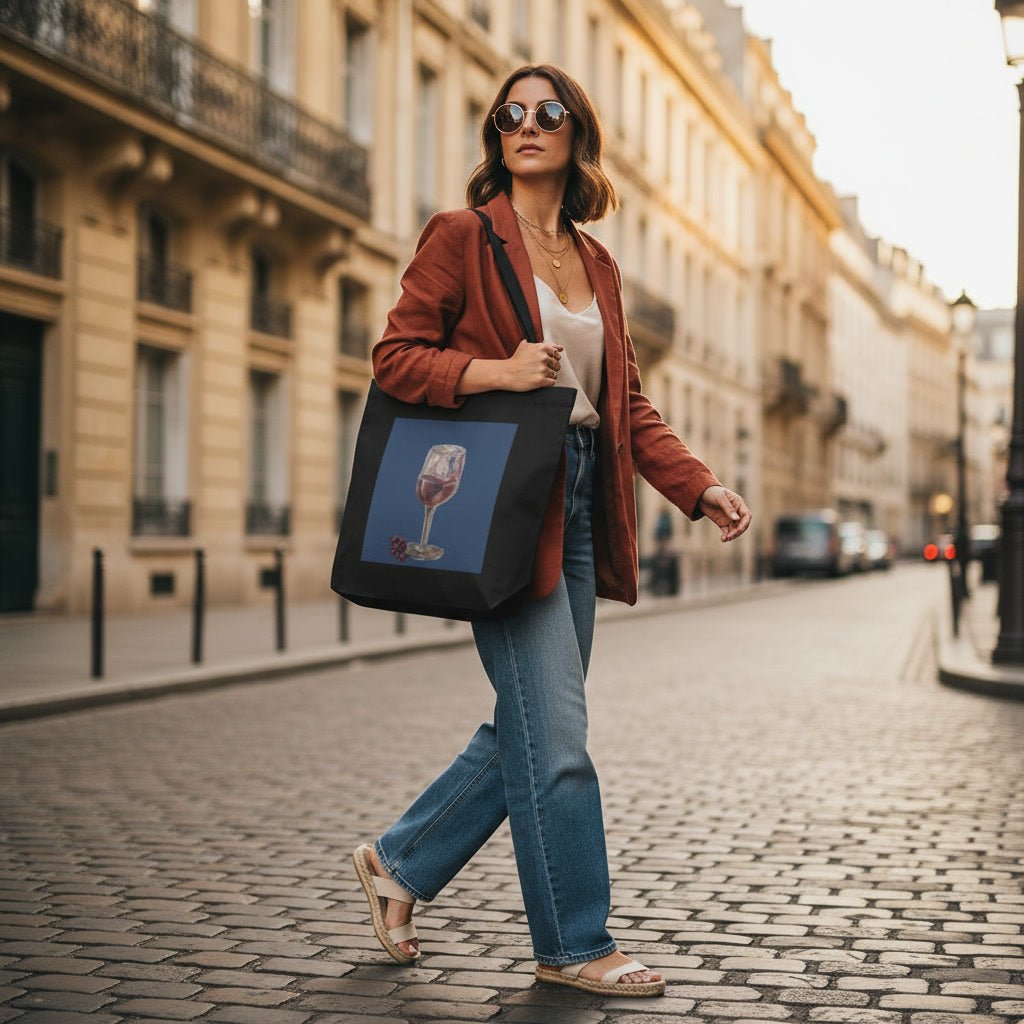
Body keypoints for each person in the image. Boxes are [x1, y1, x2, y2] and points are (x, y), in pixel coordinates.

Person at [352, 63, 751, 999]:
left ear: (578, 134)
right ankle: (574, 942)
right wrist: (495, 372)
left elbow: (625, 402)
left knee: (532, 726)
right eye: (510, 114)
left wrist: (697, 486)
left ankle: (400, 862)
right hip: (502, 505)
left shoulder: (597, 262)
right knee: (559, 736)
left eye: (548, 111)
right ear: (496, 135)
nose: (526, 124)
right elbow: (396, 357)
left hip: (577, 505)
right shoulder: (462, 235)